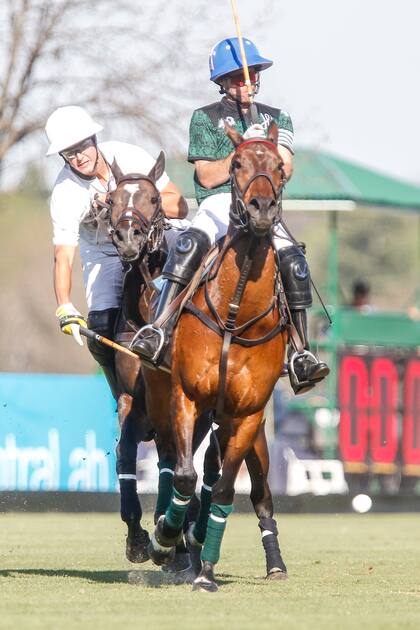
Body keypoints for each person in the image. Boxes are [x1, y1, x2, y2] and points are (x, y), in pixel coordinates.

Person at [132, 37, 329, 394]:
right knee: (189, 244)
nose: (246, 81)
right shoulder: (205, 118)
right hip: (220, 203)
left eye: (251, 74)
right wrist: (241, 151)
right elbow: (206, 176)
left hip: (262, 204)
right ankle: (158, 329)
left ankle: (301, 352)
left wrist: (262, 148)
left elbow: (286, 167)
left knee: (295, 261)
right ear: (221, 81)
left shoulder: (277, 116)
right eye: (237, 76)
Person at [45, 105, 189, 399]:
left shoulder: (129, 155)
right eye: (69, 152)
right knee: (100, 327)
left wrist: (133, 204)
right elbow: (64, 254)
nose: (79, 156)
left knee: (197, 267)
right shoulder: (65, 192)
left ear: (94, 140)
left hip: (154, 235)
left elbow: (179, 204)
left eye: (82, 146)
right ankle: (126, 399)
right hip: (104, 251)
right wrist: (65, 306)